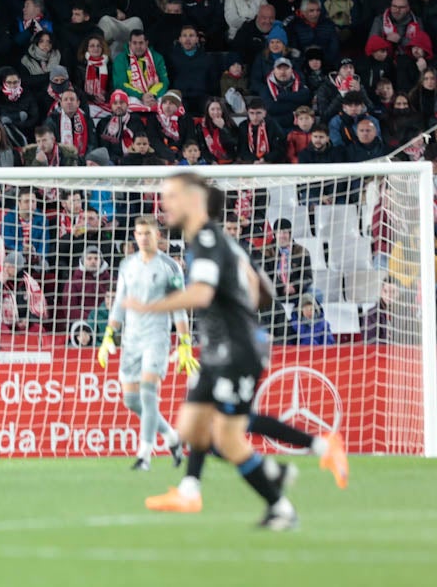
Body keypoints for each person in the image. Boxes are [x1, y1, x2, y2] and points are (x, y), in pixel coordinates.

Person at [131, 173, 344, 528]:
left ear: (194, 201)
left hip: (236, 349)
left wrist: (148, 306)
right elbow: (263, 292)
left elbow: (201, 294)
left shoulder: (209, 240)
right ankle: (200, 486)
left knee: (227, 435)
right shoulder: (219, 243)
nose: (164, 206)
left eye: (170, 197)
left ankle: (287, 489)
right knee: (192, 428)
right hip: (219, 347)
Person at [97, 219, 196, 470]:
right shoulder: (127, 264)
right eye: (139, 233)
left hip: (156, 336)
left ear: (158, 235)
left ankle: (145, 454)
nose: (143, 238)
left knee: (148, 392)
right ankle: (172, 437)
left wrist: (184, 342)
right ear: (134, 234)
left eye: (148, 234)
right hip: (131, 339)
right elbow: (120, 302)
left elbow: (179, 306)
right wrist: (109, 334)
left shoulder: (169, 266)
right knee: (131, 400)